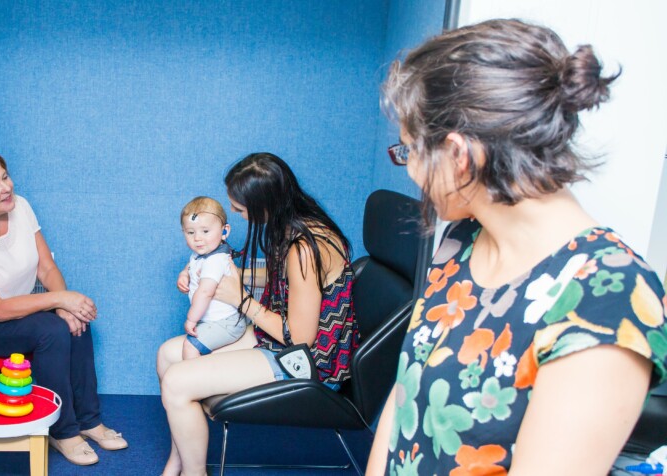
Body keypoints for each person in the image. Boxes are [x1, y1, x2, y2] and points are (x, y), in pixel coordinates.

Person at [366, 19, 667, 475]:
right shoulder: (460, 244)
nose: (408, 171)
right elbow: (404, 400)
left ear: (459, 154)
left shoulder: (608, 296)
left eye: (409, 151)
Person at [157, 152, 358, 476]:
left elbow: (301, 338)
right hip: (277, 340)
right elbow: (286, 281)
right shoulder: (294, 226)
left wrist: (242, 299)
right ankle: (180, 459)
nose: (237, 215)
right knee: (168, 355)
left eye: (239, 209)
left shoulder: (306, 247)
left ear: (264, 205)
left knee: (178, 381)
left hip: (307, 359)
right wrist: (226, 274)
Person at [0, 147, 127, 466]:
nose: (6, 188)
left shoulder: (20, 207)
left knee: (73, 320)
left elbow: (46, 268)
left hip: (18, 307)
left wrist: (67, 306)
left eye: (5, 177)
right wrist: (58, 301)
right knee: (49, 330)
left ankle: (89, 420)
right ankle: (62, 431)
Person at [176, 196, 245, 360]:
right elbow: (192, 264)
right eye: (190, 232)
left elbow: (206, 291)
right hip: (214, 320)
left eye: (205, 231)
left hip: (226, 323)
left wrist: (191, 320)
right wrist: (184, 273)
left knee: (190, 345)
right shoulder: (201, 254)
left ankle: (192, 384)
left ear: (224, 231)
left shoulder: (215, 260)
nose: (197, 238)